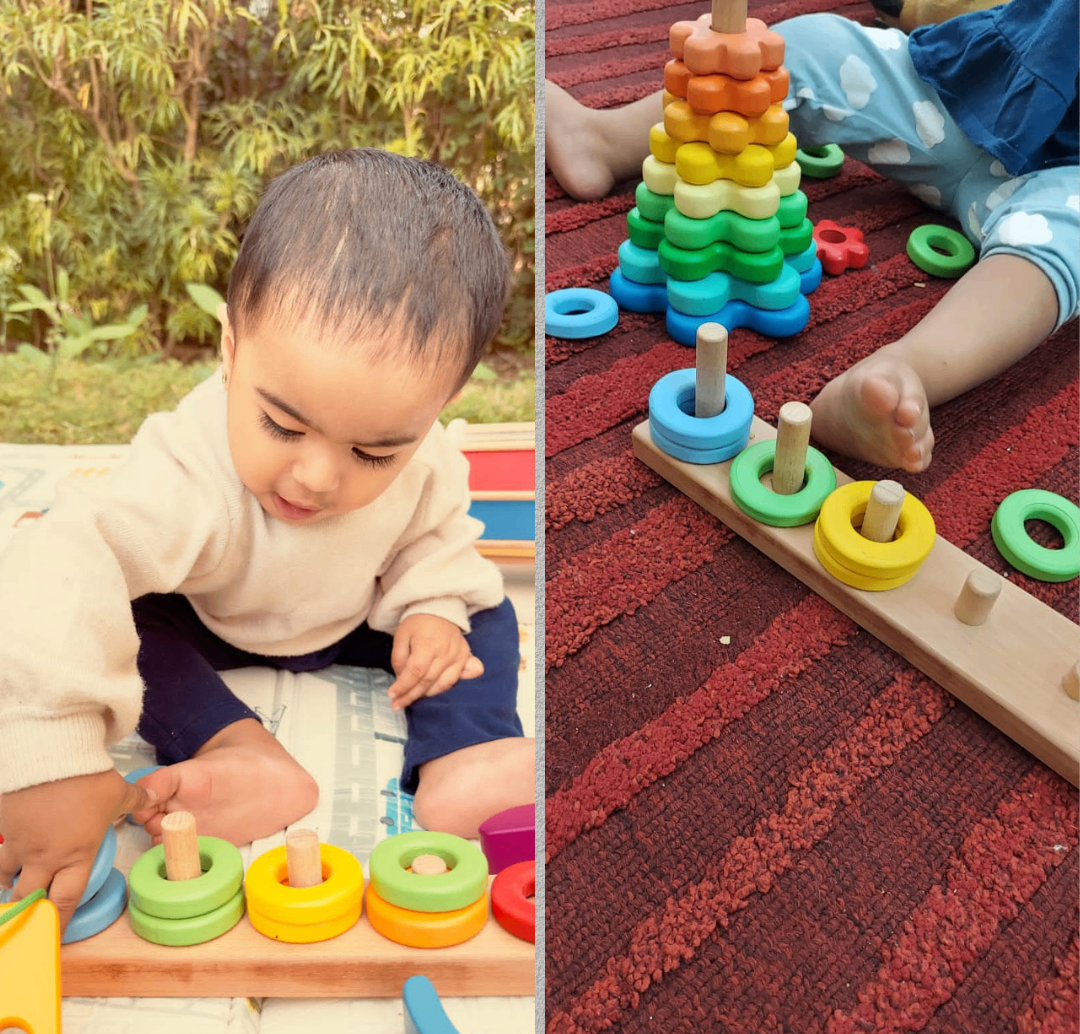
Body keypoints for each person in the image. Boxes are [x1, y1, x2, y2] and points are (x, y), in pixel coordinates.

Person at [0, 148, 534, 934]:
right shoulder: (187, 471)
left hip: (354, 616)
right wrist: (48, 750)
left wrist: (432, 609)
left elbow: (435, 534)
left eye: (375, 452)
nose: (316, 477)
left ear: (436, 409)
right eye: (282, 424)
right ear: (231, 347)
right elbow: (69, 553)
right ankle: (239, 748)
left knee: (482, 613)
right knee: (125, 622)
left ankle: (464, 757)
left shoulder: (426, 455)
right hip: (212, 617)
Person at [546, 0, 1079, 472]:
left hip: (1064, 181)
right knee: (795, 49)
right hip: (974, 91)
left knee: (1055, 255)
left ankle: (905, 369)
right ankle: (603, 139)